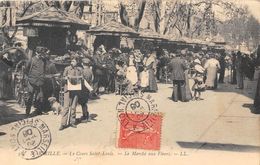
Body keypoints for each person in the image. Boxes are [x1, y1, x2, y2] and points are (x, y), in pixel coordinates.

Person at [60, 58, 83, 130]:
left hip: (76, 90)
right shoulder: (67, 69)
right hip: (68, 90)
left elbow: (82, 78)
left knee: (73, 107)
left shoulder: (79, 69)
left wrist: (81, 78)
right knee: (66, 107)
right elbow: (63, 78)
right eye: (71, 61)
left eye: (74, 61)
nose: (72, 62)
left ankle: (72, 122)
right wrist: (66, 78)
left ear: (77, 62)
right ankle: (63, 124)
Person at [25, 46, 48, 116]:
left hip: (40, 81)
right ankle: (27, 112)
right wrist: (30, 78)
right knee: (30, 97)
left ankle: (39, 111)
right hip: (32, 81)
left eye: (41, 53)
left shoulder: (43, 61)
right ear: (36, 53)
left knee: (40, 97)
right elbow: (26, 69)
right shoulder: (31, 60)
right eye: (39, 53)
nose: (40, 55)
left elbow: (44, 70)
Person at [79, 58, 94, 122]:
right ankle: (85, 115)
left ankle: (85, 117)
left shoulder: (83, 71)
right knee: (84, 103)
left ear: (82, 64)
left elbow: (81, 80)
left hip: (83, 88)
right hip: (88, 88)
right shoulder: (90, 71)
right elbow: (92, 78)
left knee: (83, 103)